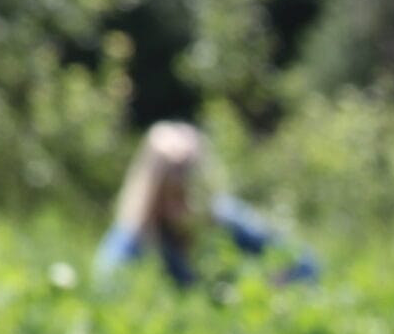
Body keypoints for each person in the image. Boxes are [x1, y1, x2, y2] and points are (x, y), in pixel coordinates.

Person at [96, 122, 318, 289]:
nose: (182, 208)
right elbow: (107, 287)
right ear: (151, 194)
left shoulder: (228, 222)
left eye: (189, 194)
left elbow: (306, 263)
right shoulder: (133, 239)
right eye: (171, 196)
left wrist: (266, 287)